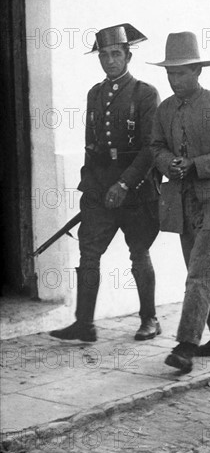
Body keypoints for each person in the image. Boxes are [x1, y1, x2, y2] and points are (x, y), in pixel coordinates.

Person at [50, 24, 161, 343]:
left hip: (136, 191)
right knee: (88, 254)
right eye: (104, 55)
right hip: (99, 190)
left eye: (116, 54)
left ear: (128, 56)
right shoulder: (95, 94)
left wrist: (124, 185)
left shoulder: (145, 93)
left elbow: (151, 147)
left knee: (139, 253)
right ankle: (84, 324)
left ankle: (149, 319)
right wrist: (90, 188)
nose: (110, 60)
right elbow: (90, 145)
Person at [149, 31, 210, 373]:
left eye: (182, 73)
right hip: (182, 205)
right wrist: (167, 162)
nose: (175, 80)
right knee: (204, 270)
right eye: (170, 73)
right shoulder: (164, 110)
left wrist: (196, 165)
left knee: (199, 273)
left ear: (198, 71)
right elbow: (156, 147)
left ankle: (186, 345)